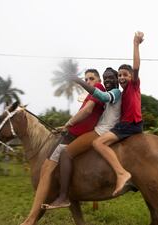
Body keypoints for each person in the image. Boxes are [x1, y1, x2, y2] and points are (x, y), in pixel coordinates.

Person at [20, 69, 105, 225]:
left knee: (46, 169)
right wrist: (64, 127)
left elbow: (87, 111)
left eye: (91, 78)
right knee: (48, 168)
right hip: (70, 133)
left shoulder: (98, 88)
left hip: (73, 136)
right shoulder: (89, 94)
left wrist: (68, 124)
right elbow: (82, 117)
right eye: (86, 79)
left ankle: (32, 219)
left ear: (98, 79)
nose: (88, 81)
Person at [42, 67, 121, 209]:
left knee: (65, 153)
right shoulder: (109, 92)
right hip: (101, 129)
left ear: (116, 79)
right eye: (106, 78)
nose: (108, 80)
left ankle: (63, 197)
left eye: (111, 77)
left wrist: (77, 80)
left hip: (102, 131)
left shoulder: (114, 93)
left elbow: (98, 101)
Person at [92, 31, 144, 196]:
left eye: (125, 75)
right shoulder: (123, 93)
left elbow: (136, 67)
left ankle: (122, 173)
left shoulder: (133, 85)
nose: (122, 77)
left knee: (98, 143)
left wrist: (135, 44)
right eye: (120, 75)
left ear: (131, 76)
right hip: (129, 124)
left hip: (129, 125)